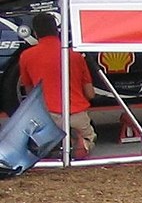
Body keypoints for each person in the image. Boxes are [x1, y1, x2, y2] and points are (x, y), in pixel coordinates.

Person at [18, 13, 97, 159]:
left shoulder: (26, 56)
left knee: (40, 138)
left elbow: (31, 93)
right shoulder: (75, 55)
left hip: (48, 116)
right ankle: (83, 142)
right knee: (88, 135)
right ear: (57, 30)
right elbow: (90, 93)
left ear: (35, 33)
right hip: (76, 113)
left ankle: (51, 144)